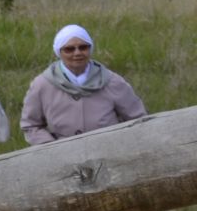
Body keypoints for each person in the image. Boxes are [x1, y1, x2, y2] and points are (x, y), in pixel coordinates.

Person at [20, 24, 148, 144]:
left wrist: (118, 144)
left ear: (90, 48)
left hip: (107, 154)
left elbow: (138, 119)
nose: (77, 53)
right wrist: (53, 148)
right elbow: (31, 126)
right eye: (69, 49)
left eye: (83, 47)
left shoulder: (112, 81)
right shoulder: (42, 84)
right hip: (61, 159)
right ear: (59, 52)